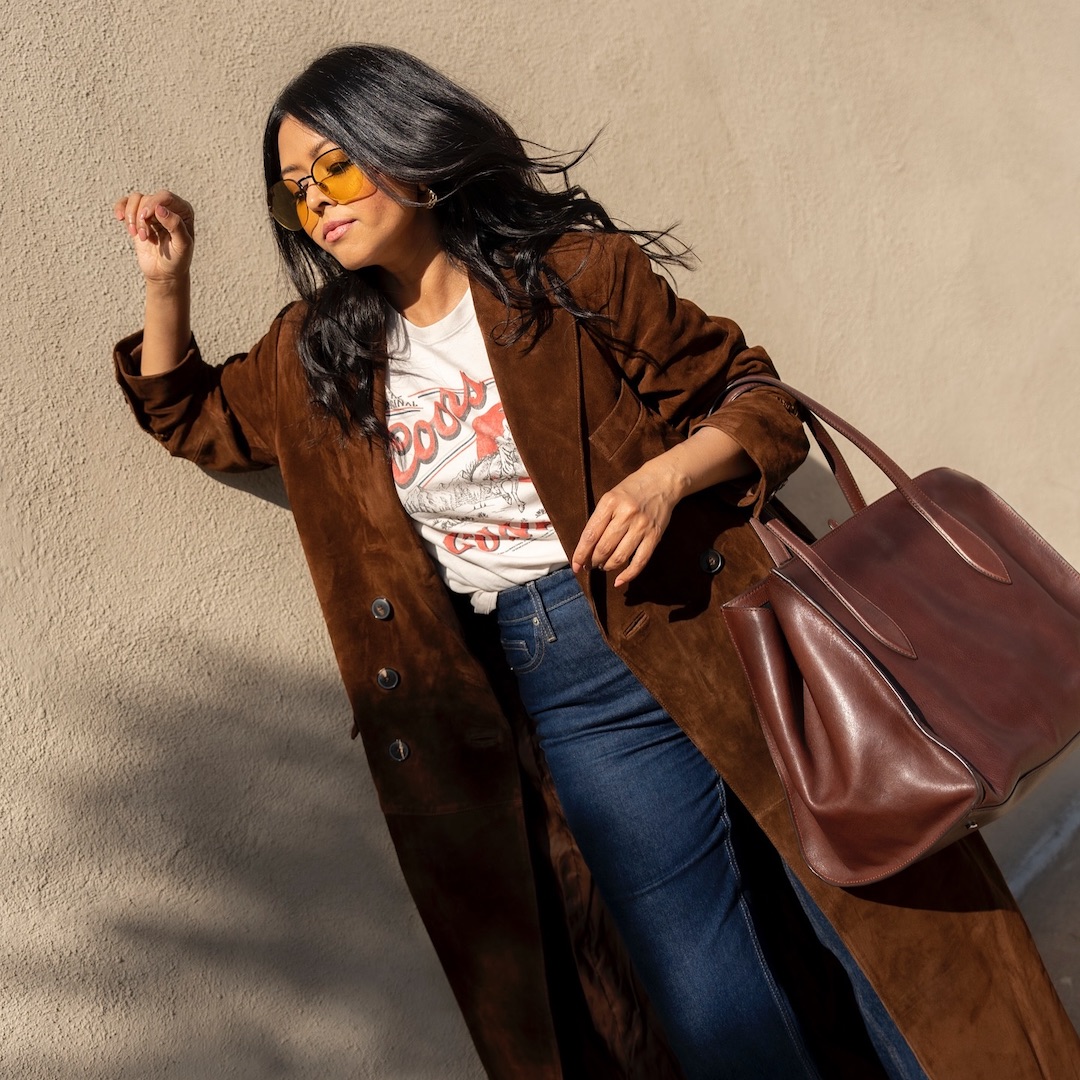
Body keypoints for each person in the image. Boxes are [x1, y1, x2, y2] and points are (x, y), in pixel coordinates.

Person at [112, 43, 1079, 1080]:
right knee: (705, 988)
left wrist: (663, 480)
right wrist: (168, 284)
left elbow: (757, 403)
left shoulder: (574, 275)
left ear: (409, 149)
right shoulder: (321, 355)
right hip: (564, 683)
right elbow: (192, 416)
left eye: (336, 168)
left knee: (879, 919)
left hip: (718, 632)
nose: (315, 203)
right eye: (294, 190)